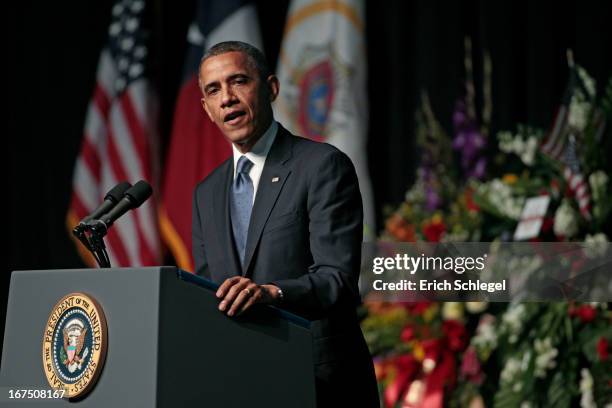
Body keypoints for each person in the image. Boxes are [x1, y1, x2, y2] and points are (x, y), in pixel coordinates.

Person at [192, 41, 379, 407]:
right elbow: (206, 292)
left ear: (272, 88)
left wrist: (271, 293)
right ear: (207, 109)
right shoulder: (207, 192)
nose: (227, 98)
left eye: (239, 81)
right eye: (213, 90)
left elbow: (336, 280)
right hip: (244, 384)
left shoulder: (321, 165)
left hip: (320, 384)